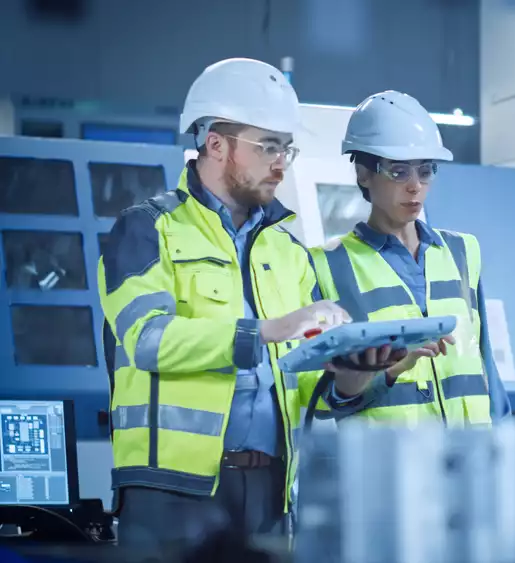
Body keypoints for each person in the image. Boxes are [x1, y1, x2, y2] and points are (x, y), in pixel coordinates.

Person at [97, 58, 388, 550]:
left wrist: (355, 373)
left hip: (269, 491)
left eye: (286, 149)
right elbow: (148, 340)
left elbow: (309, 377)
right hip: (171, 489)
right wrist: (266, 330)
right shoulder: (147, 230)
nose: (281, 162)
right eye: (268, 146)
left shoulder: (287, 250)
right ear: (216, 144)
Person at [309, 90, 511, 426]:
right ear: (363, 174)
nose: (415, 187)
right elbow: (325, 400)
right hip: (392, 471)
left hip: (471, 464)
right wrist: (391, 371)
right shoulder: (326, 265)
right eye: (399, 172)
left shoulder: (462, 252)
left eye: (426, 171)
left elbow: (485, 368)